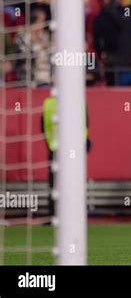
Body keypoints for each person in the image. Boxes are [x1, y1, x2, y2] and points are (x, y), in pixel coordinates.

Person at [41, 94, 91, 223]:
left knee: (57, 182)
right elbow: (85, 123)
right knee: (67, 182)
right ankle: (68, 215)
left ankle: (57, 215)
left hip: (57, 147)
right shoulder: (77, 101)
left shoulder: (49, 103)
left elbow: (43, 126)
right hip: (66, 149)